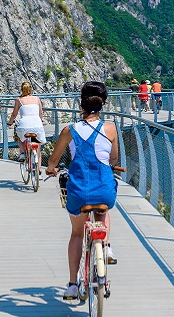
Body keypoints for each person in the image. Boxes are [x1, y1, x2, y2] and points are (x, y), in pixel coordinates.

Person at [46, 81, 120, 300]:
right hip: (103, 190)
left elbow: (53, 160)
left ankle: (71, 284)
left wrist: (51, 169)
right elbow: (113, 158)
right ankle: (105, 247)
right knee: (103, 209)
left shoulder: (70, 130)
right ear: (103, 103)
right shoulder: (111, 128)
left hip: (78, 192)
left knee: (77, 233)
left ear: (81, 103)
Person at [7, 82, 47, 161]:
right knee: (38, 148)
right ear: (31, 90)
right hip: (37, 125)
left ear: (22, 89)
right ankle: (38, 169)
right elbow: (41, 113)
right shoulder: (37, 99)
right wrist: (40, 120)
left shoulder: (19, 100)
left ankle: (22, 153)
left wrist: (10, 122)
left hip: (24, 125)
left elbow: (14, 114)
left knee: (19, 136)